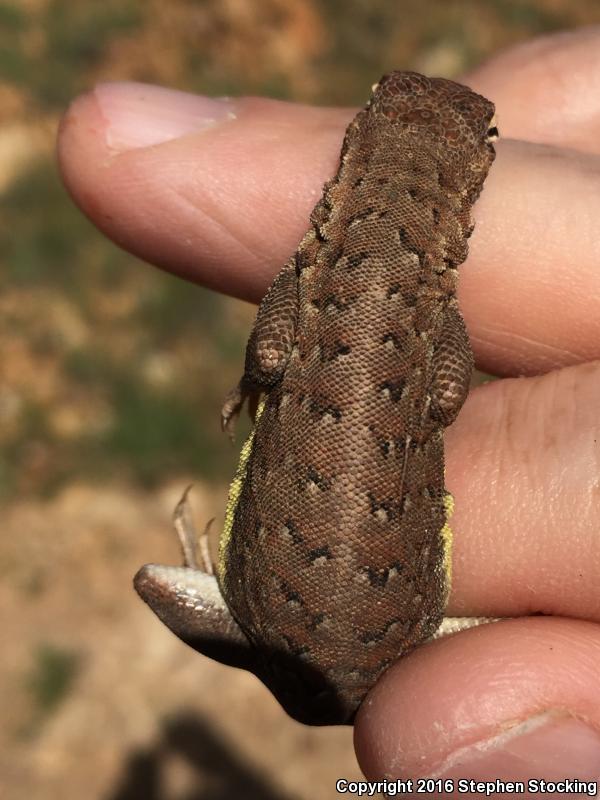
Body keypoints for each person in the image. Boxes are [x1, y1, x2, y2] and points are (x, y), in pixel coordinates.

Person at [57, 27, 600, 781]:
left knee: (157, 586)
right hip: (395, 651)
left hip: (355, 633)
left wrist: (253, 382)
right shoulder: (438, 316)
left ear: (357, 147)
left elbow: (275, 356)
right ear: (472, 176)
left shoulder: (315, 279)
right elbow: (444, 395)